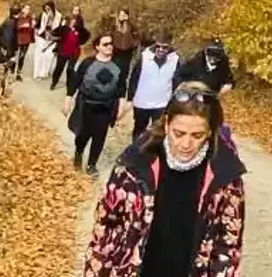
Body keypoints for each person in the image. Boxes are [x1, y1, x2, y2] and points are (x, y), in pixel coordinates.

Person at [83, 81, 246, 277]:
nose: (186, 144)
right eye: (179, 133)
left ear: (210, 132)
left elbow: (228, 246)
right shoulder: (133, 165)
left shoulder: (225, 177)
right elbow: (105, 227)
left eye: (197, 135)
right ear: (167, 124)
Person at [65, 34, 130, 176]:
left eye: (111, 44)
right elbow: (76, 81)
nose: (109, 47)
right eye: (105, 44)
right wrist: (68, 98)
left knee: (99, 136)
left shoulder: (119, 64)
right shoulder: (87, 63)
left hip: (106, 106)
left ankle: (91, 165)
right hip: (86, 104)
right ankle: (79, 152)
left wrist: (122, 105)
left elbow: (121, 87)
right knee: (82, 134)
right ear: (97, 47)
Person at [126, 32, 182, 140]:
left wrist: (175, 101)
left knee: (158, 131)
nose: (160, 50)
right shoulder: (144, 57)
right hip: (142, 102)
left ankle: (153, 154)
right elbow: (134, 77)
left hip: (162, 103)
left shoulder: (175, 60)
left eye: (164, 47)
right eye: (158, 46)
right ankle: (136, 152)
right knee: (139, 129)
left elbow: (177, 82)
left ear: (170, 46)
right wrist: (130, 97)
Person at [0, 6, 21, 96]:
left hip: (3, 49)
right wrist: (11, 54)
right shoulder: (11, 23)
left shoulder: (8, 21)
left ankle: (0, 90)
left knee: (4, 71)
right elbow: (8, 39)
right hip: (6, 51)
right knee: (4, 71)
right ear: (18, 14)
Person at [51, 16, 81, 91]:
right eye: (72, 21)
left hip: (74, 52)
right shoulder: (63, 28)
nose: (73, 23)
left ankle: (69, 85)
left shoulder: (79, 30)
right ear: (69, 21)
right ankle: (54, 82)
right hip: (63, 51)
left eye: (75, 22)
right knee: (59, 68)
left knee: (70, 69)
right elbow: (54, 33)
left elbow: (85, 36)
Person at [35, 1, 63, 81]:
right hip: (42, 37)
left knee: (48, 56)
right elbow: (39, 25)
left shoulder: (59, 16)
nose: (47, 10)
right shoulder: (43, 14)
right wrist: (38, 32)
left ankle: (44, 72)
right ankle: (38, 74)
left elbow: (59, 28)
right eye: (46, 9)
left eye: (48, 9)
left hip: (52, 38)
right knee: (40, 56)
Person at [108, 8, 139, 78]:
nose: (122, 16)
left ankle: (122, 86)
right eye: (121, 15)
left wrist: (133, 44)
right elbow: (109, 36)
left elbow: (137, 37)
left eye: (124, 15)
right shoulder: (114, 26)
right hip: (116, 51)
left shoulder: (131, 26)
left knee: (124, 71)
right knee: (114, 70)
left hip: (127, 52)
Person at [14, 4, 35, 80]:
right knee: (15, 55)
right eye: (26, 8)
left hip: (27, 40)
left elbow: (31, 29)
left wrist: (32, 27)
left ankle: (18, 73)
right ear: (22, 9)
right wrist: (22, 26)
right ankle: (12, 71)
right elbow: (15, 27)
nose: (27, 10)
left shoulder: (30, 18)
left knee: (22, 57)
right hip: (18, 38)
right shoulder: (18, 16)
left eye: (28, 9)